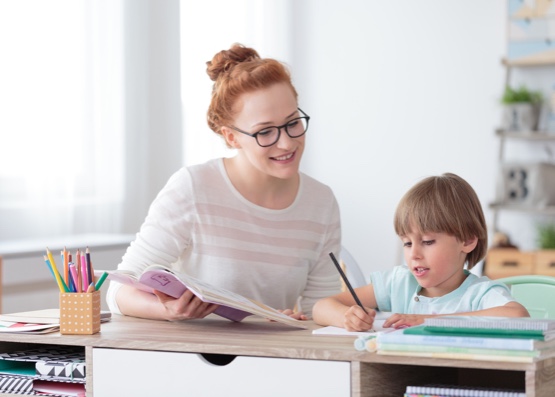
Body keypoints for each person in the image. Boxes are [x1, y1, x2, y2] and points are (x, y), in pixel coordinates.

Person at [106, 43, 341, 321]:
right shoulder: (194, 187)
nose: (287, 143)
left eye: (292, 123)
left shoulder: (321, 202)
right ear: (231, 137)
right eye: (265, 132)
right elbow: (119, 292)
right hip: (193, 355)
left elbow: (320, 309)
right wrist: (168, 311)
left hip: (273, 357)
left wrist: (299, 320)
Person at [312, 173, 529, 332]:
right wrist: (345, 317)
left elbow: (518, 316)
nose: (414, 253)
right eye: (407, 243)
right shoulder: (398, 284)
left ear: (468, 240)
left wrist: (429, 319)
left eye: (427, 241)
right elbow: (321, 307)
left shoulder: (479, 294)